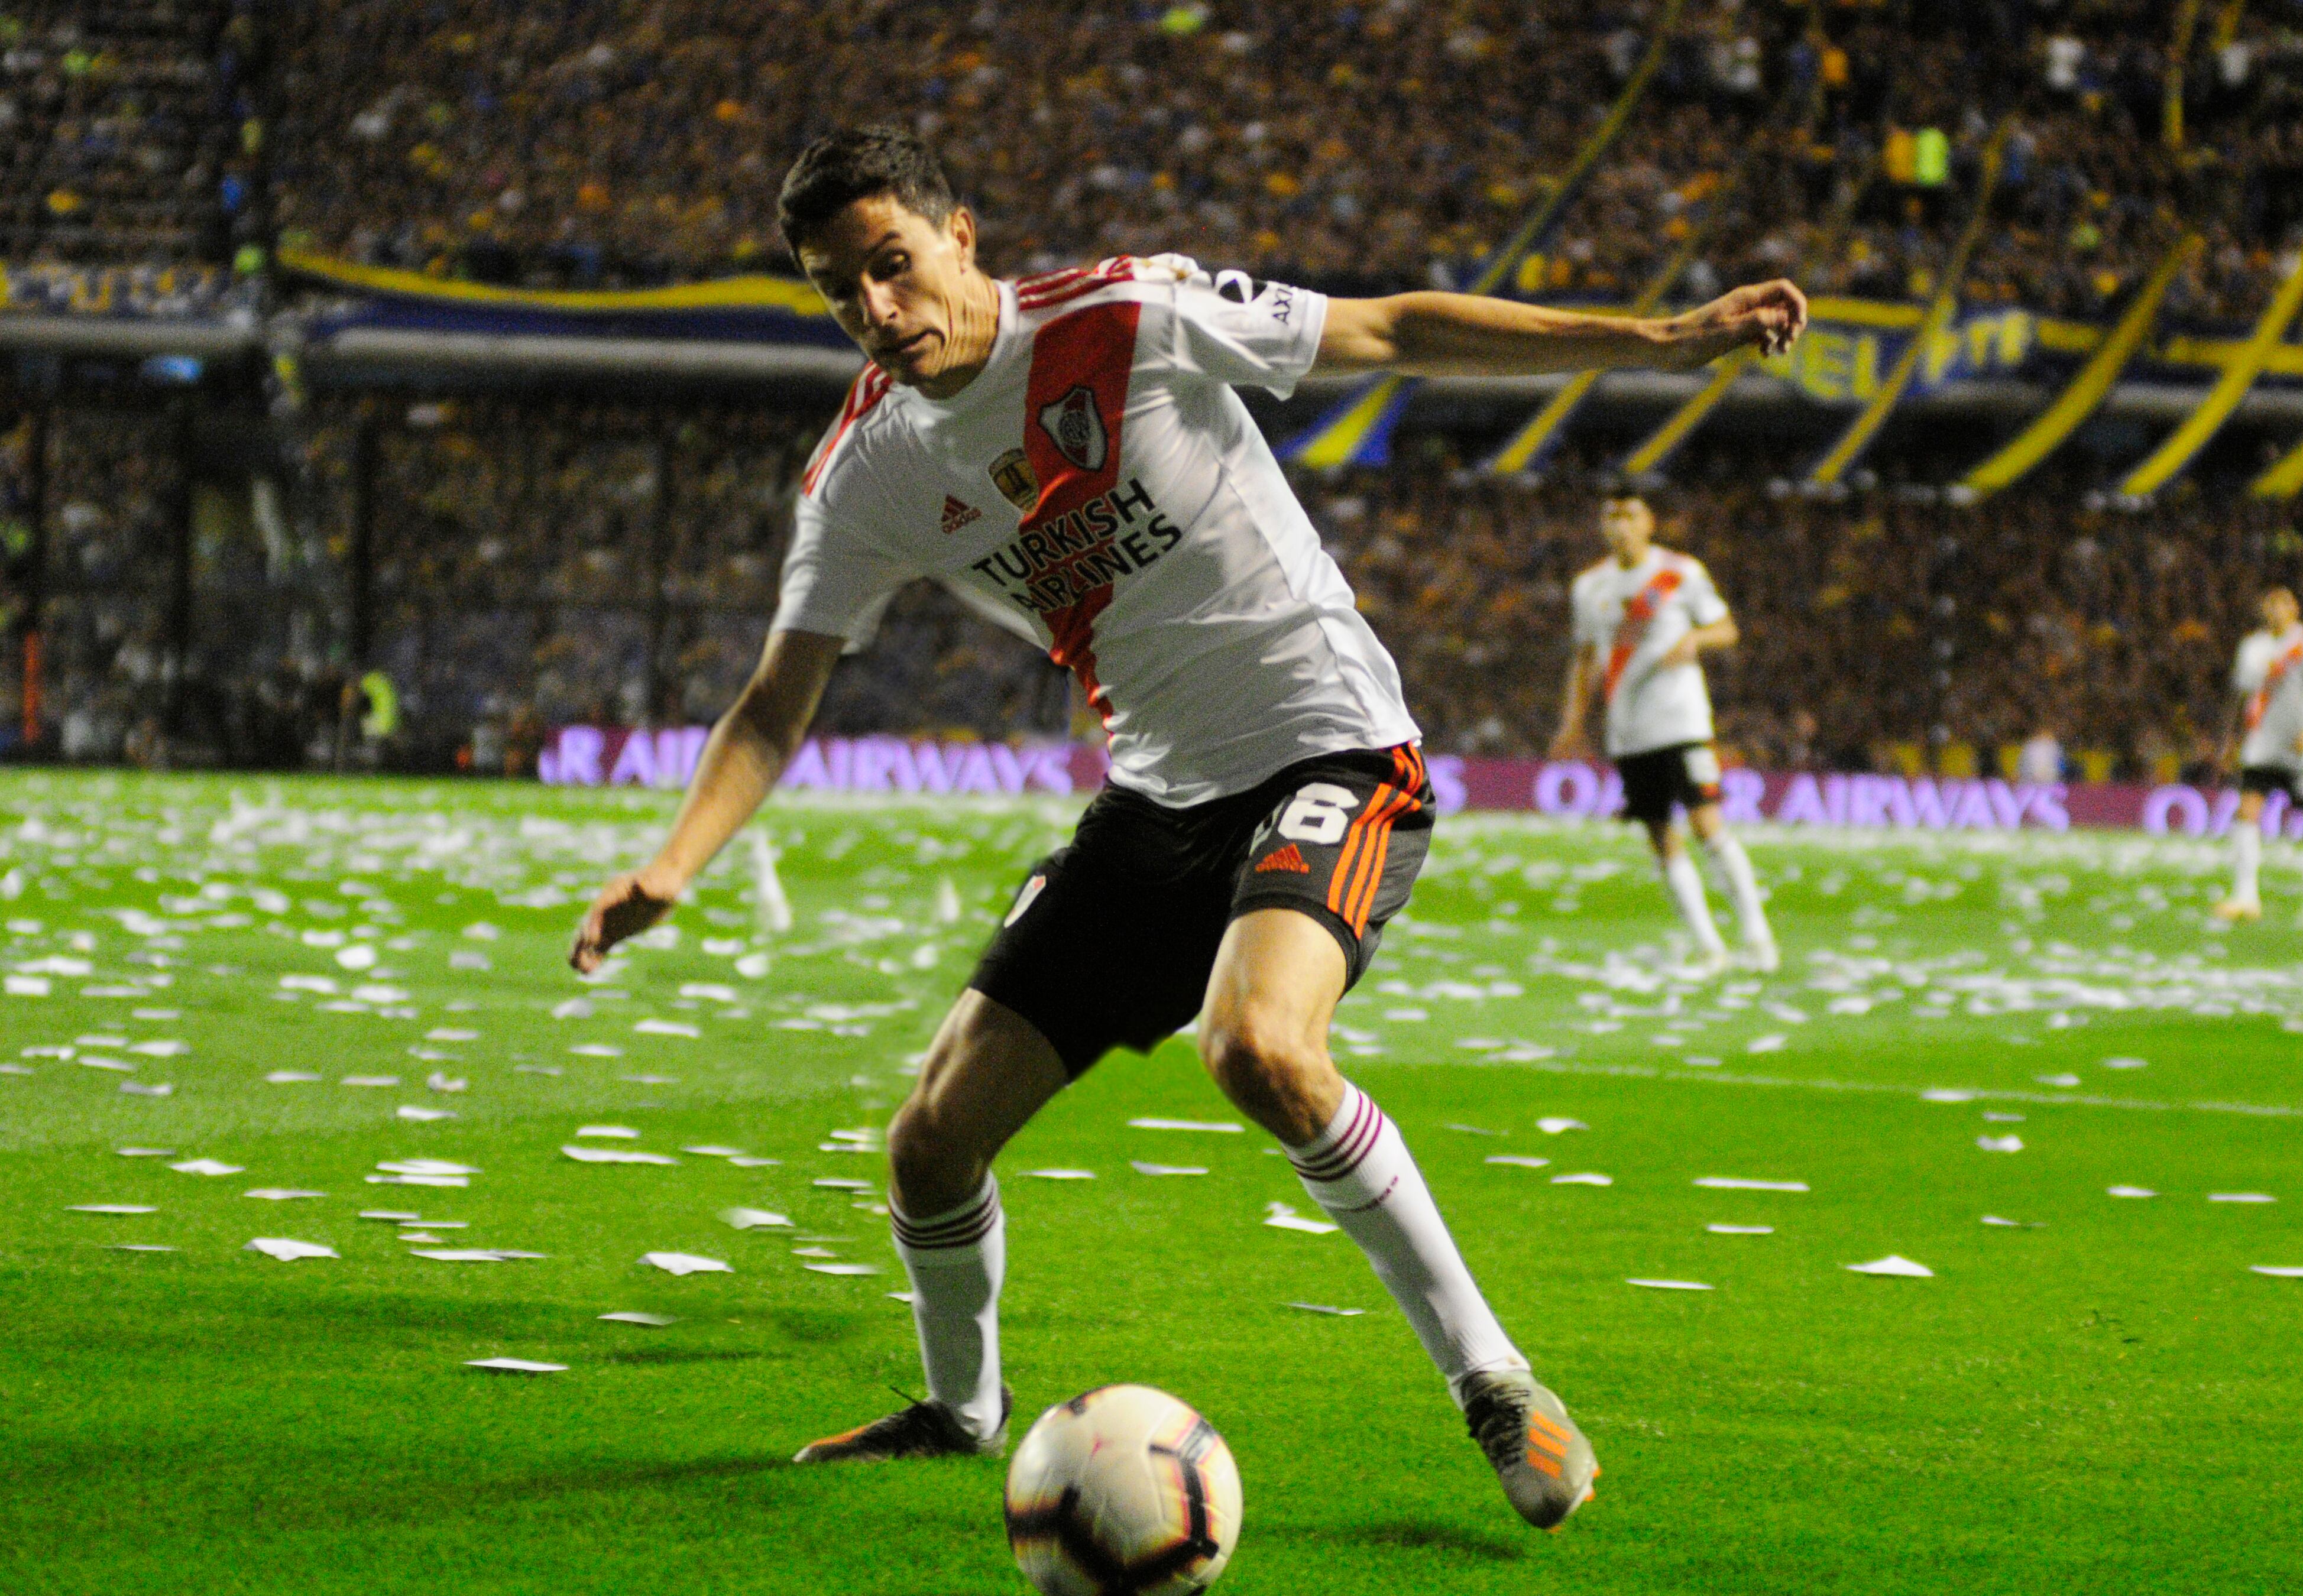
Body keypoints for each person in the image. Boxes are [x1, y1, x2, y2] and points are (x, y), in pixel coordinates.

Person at [568, 125, 1806, 1530]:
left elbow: (1391, 327)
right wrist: (672, 866)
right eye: (837, 289)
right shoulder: (866, 474)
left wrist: (1654, 335)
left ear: (958, 235)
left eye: (890, 264)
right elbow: (774, 698)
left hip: (1328, 749)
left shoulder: (1124, 314)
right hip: (1155, 800)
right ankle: (960, 1408)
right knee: (927, 1141)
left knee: (1261, 1044)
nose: (874, 308)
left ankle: (1497, 1381)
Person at [1548, 494, 1777, 977]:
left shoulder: (1681, 572)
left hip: (1683, 722)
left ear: (1650, 521)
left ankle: (1757, 938)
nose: (1621, 525)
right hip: (1629, 731)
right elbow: (1586, 658)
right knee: (1659, 835)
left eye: (1630, 515)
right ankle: (1710, 948)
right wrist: (1572, 722)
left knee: (1706, 824)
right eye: (1611, 516)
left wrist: (1695, 638)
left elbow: (1726, 628)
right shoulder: (1590, 586)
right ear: (1602, 523)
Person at [2213, 586, 2303, 926]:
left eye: (2282, 604)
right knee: (2246, 813)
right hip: (2263, 746)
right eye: (2269, 604)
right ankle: (2246, 897)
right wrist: (2230, 741)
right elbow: (2243, 698)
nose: (2274, 610)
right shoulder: (2253, 647)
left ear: (2295, 608)